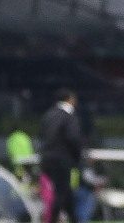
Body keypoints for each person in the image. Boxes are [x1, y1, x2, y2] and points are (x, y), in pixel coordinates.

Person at [39, 89, 82, 223]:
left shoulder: (48, 115)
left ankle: (74, 219)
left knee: (65, 191)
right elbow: (73, 138)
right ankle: (52, 220)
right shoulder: (68, 116)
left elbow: (42, 135)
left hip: (46, 158)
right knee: (61, 192)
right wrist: (77, 157)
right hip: (62, 158)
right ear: (70, 99)